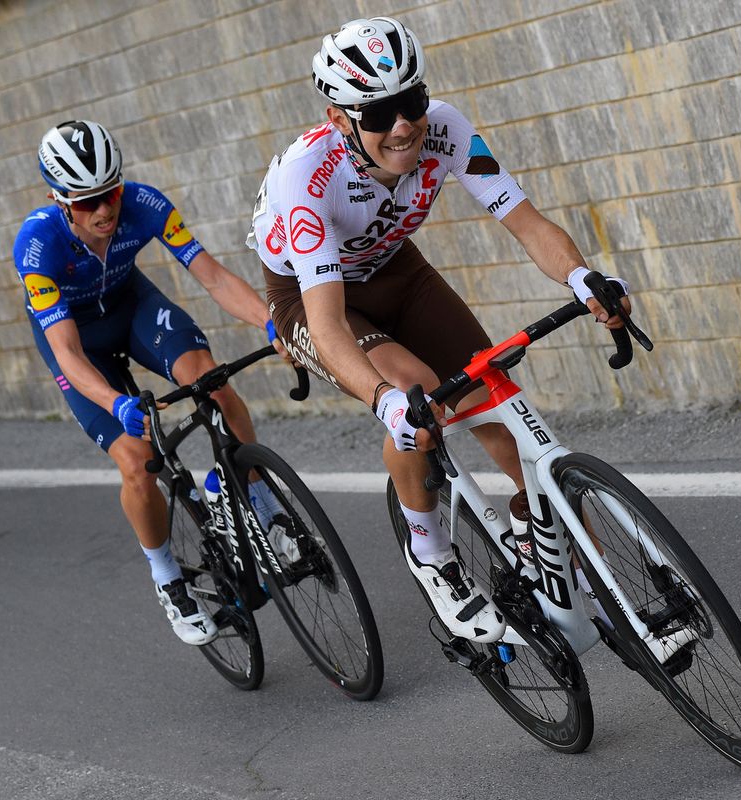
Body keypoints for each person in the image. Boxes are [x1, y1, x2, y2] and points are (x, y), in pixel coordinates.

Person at [246, 17, 634, 644]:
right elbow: (324, 321)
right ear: (340, 117)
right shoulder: (306, 179)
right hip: (316, 298)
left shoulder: (446, 128)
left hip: (397, 269)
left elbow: (528, 222)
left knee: (498, 408)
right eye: (377, 113)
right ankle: (430, 553)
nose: (401, 125)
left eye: (411, 102)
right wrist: (384, 401)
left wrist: (583, 279)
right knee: (418, 392)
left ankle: (559, 553)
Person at [14, 120, 293, 647]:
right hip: (79, 342)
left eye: (110, 193)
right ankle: (167, 575)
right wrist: (115, 402)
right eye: (86, 201)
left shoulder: (145, 204)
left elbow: (211, 275)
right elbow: (68, 354)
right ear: (59, 201)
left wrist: (271, 320)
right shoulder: (36, 246)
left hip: (132, 307)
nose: (104, 210)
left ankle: (259, 502)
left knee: (213, 383)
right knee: (138, 462)